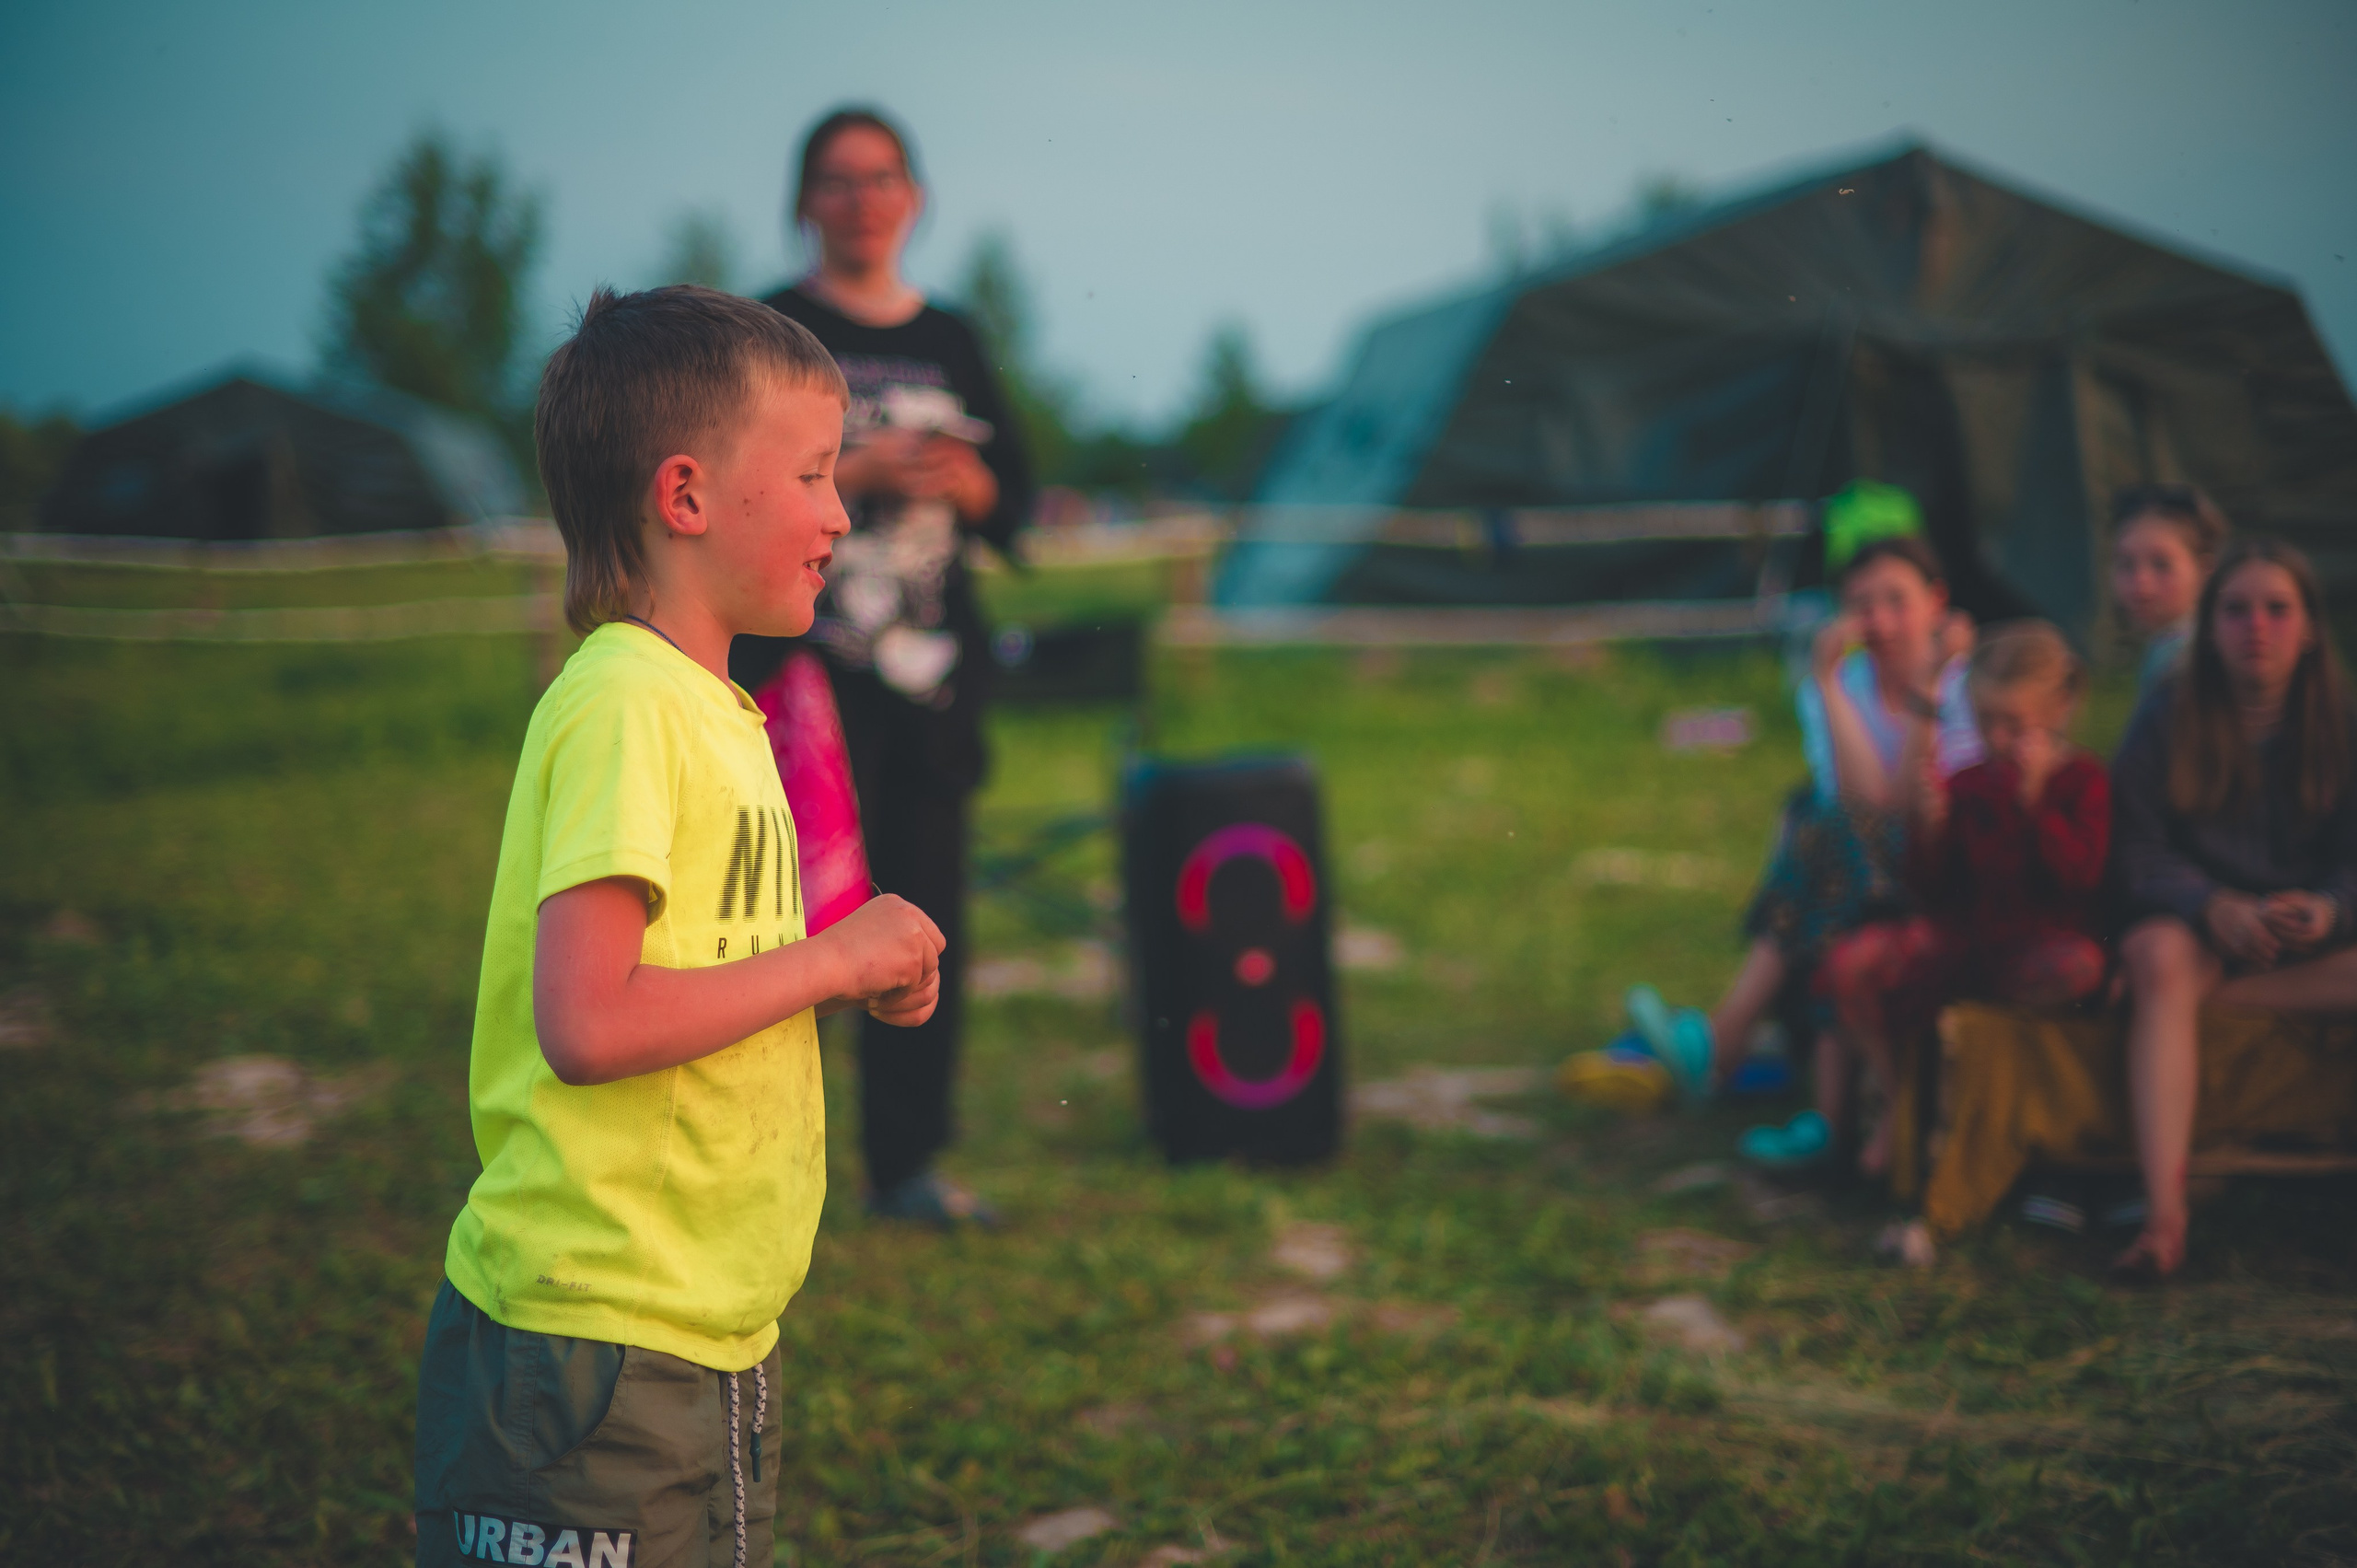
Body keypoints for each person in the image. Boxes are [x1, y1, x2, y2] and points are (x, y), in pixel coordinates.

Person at [415, 286, 947, 1566]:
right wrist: (828, 959)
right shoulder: (624, 707)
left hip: (701, 1330)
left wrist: (854, 970)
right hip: (593, 1345)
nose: (839, 509)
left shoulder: (714, 703)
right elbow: (590, 1020)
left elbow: (706, 967)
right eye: (814, 474)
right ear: (687, 495)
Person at [731, 106, 1034, 1227]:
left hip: (932, 684)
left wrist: (963, 484)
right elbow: (741, 485)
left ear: (916, 196)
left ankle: (906, 1167)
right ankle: (759, 1167)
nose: (863, 199)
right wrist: (856, 464)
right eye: (838, 179)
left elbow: (1018, 497)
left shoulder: (952, 335)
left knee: (921, 922)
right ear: (805, 200)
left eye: (883, 177)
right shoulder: (771, 326)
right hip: (799, 686)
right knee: (772, 928)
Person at [1629, 482, 1981, 1167]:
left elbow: (1911, 805)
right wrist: (1824, 685)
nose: (1878, 621)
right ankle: (1819, 1111)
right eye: (1861, 605)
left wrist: (1930, 690)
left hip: (1948, 859)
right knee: (1826, 837)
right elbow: (1858, 800)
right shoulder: (1840, 682)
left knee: (1824, 831)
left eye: (1895, 602)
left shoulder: (1966, 683)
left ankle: (1728, 1039)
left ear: (1935, 602)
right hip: (1861, 864)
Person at [2111, 539, 2357, 1278]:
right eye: (2236, 609)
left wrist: (2329, 908)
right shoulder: (2167, 718)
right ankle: (2164, 1216)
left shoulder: (2341, 722)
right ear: (2210, 625)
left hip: (2302, 937)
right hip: (2200, 929)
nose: (2257, 626)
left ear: (2310, 626)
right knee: (2155, 957)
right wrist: (2209, 902)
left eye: (2278, 609)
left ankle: (2209, 1003)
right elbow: (2136, 851)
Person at [1814, 621, 2111, 1177]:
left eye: (2015, 725)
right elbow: (1935, 890)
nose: (1998, 739)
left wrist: (2033, 804)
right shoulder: (1972, 781)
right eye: (1984, 722)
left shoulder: (2081, 782)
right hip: (1966, 939)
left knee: (2076, 969)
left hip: (2036, 943)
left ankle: (1982, 1108)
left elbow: (2080, 878)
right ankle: (1900, 1104)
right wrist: (1931, 832)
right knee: (1849, 963)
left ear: (2061, 711)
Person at [2109, 482, 2228, 696]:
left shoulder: (2186, 657)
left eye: (2161, 564)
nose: (2140, 581)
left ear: (2205, 571)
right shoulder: (2164, 645)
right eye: (2126, 563)